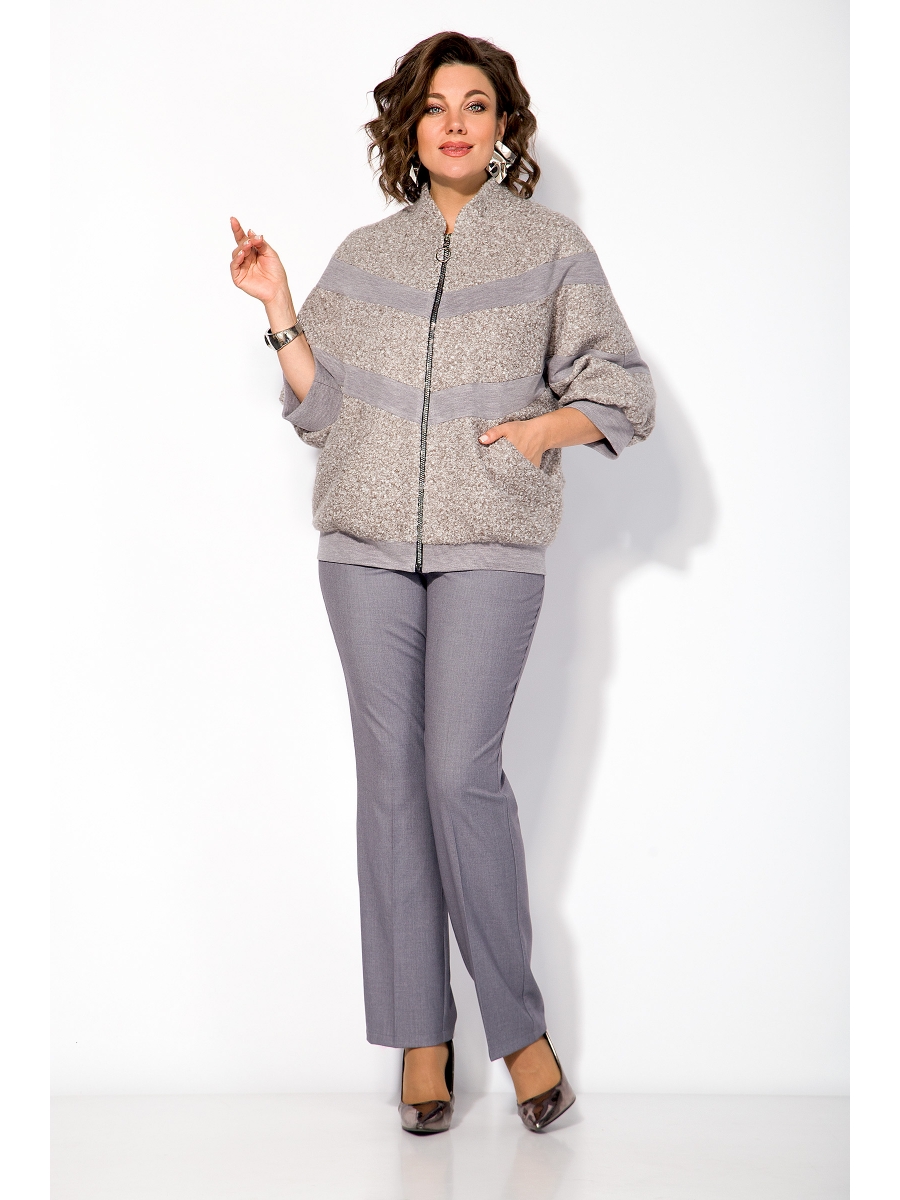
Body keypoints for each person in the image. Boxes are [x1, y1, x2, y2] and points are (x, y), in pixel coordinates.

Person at [229, 31, 655, 1134]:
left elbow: (623, 391)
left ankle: (519, 1032)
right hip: (363, 551)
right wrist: (278, 305)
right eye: (434, 106)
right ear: (408, 128)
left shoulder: (551, 247)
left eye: (475, 104)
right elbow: (323, 411)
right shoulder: (368, 255)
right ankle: (422, 1037)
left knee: (461, 776)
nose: (454, 122)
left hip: (490, 545)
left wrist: (538, 433)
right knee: (390, 786)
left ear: (504, 124)